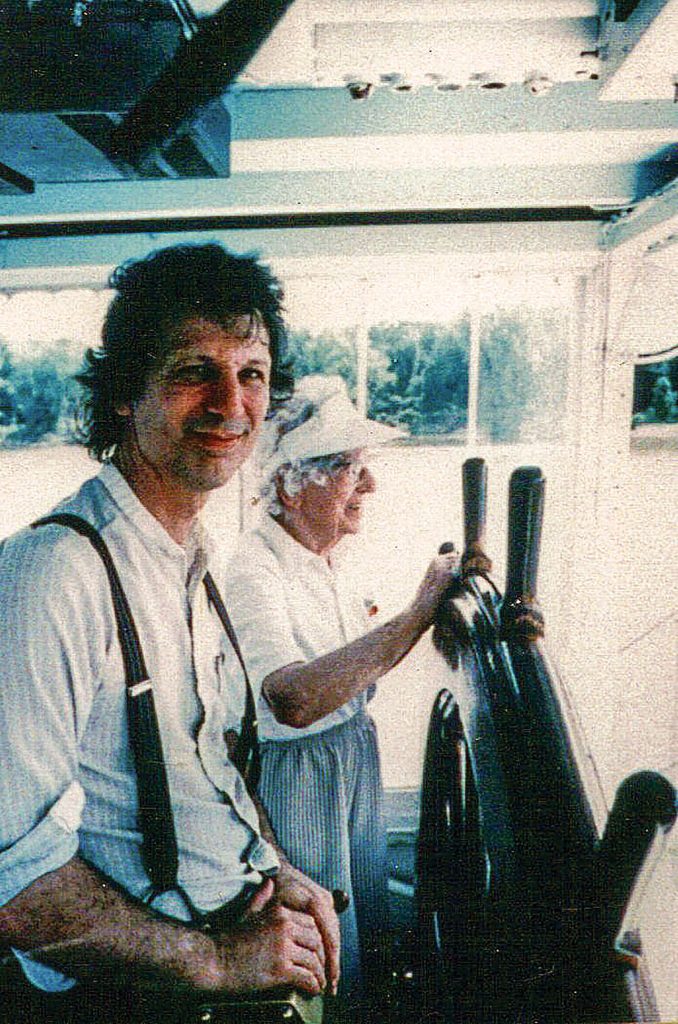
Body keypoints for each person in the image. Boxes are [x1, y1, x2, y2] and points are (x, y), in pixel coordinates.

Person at [0, 244, 340, 1023]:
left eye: (251, 373)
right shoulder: (53, 574)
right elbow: (11, 887)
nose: (231, 403)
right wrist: (219, 961)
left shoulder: (192, 563)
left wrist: (276, 867)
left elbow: (205, 761)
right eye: (194, 371)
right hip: (134, 999)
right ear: (125, 392)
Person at [224, 375, 460, 1008]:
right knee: (322, 948)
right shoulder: (253, 569)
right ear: (291, 485)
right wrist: (419, 610)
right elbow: (292, 701)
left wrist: (431, 605)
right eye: (350, 469)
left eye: (364, 468)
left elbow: (355, 666)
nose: (370, 485)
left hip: (351, 760)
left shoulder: (326, 558)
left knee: (360, 941)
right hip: (299, 778)